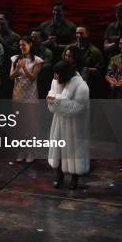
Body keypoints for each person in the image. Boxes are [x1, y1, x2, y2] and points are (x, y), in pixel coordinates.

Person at [47, 60, 90, 189]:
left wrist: (57, 101)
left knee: (74, 152)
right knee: (58, 151)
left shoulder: (81, 86)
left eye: (57, 74)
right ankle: (59, 177)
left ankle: (74, 179)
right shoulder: (55, 82)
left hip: (74, 125)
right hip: (59, 122)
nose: (55, 77)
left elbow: (77, 108)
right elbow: (51, 96)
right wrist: (52, 101)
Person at [9, 36, 44, 162]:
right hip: (17, 96)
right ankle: (22, 150)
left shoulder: (37, 61)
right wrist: (18, 68)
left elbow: (33, 78)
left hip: (30, 97)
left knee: (30, 125)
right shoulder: (15, 59)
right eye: (20, 45)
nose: (21, 47)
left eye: (24, 45)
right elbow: (11, 77)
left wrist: (23, 68)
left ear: (30, 45)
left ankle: (31, 151)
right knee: (20, 125)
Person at [0, 13, 20, 99]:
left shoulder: (15, 36)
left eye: (1, 19)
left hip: (8, 68)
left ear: (7, 21)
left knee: (7, 92)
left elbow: (14, 51)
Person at [31, 29, 54, 99]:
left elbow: (46, 66)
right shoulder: (27, 50)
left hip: (42, 82)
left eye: (35, 38)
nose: (33, 39)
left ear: (41, 39)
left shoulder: (47, 52)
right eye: (32, 37)